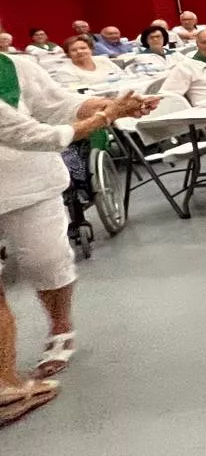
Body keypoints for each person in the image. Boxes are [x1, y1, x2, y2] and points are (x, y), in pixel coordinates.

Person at [0, 50, 153, 401]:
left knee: (45, 261)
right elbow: (39, 134)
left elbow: (59, 104)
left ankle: (60, 326)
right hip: (37, 144)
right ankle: (5, 379)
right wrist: (105, 117)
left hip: (29, 183)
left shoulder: (15, 66)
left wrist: (112, 105)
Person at [50, 36, 119, 89]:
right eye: (74, 50)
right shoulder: (65, 71)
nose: (79, 52)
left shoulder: (103, 60)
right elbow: (76, 94)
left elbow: (122, 76)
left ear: (91, 49)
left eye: (83, 48)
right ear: (68, 54)